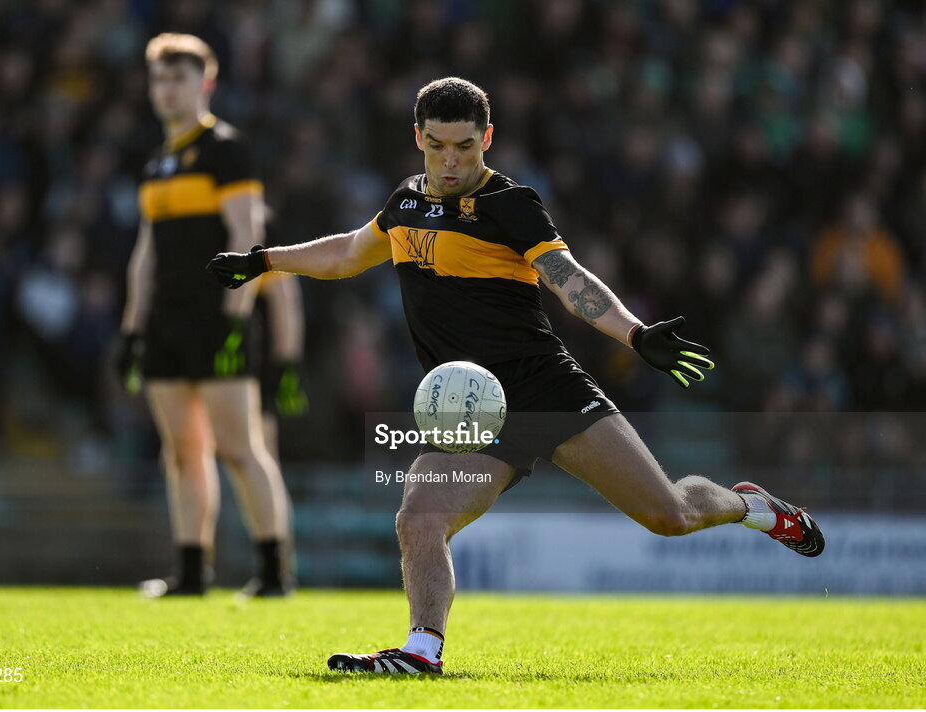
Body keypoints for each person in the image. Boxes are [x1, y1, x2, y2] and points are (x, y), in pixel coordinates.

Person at [207, 77, 824, 673]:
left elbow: (569, 279)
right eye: (437, 146)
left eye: (465, 147)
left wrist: (633, 333)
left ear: (488, 138)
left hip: (545, 391)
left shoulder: (511, 204)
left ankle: (749, 506)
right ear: (418, 137)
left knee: (669, 516)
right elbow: (345, 254)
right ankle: (421, 650)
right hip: (473, 410)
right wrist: (262, 261)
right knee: (419, 517)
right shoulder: (405, 203)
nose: (450, 161)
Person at [116, 33, 294, 598]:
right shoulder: (156, 164)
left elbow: (248, 236)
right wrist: (131, 328)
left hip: (216, 322)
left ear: (205, 83)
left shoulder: (225, 150)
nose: (167, 90)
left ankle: (273, 573)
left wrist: (237, 319)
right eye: (160, 79)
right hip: (165, 324)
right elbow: (146, 253)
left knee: (240, 449)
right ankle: (192, 572)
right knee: (181, 452)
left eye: (180, 79)